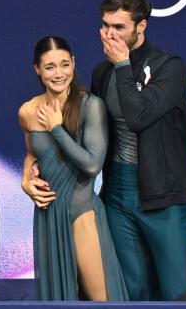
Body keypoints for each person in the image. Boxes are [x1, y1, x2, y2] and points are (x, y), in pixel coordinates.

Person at [93, 0, 186, 300]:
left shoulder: (170, 67)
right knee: (133, 292)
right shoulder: (102, 73)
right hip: (117, 194)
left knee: (178, 294)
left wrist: (124, 66)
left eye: (119, 27)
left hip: (162, 195)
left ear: (141, 26)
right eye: (105, 25)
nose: (110, 35)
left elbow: (139, 117)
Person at [19, 36, 128, 301]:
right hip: (47, 216)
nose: (59, 74)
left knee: (102, 301)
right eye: (50, 67)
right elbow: (33, 154)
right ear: (37, 69)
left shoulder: (91, 106)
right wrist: (25, 179)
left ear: (74, 63)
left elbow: (92, 165)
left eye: (65, 65)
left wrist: (57, 128)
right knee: (59, 301)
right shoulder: (27, 111)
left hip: (82, 213)